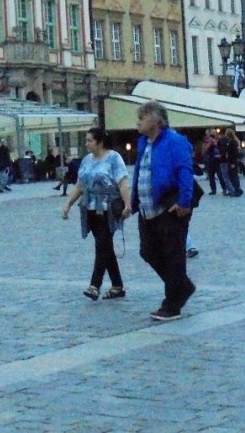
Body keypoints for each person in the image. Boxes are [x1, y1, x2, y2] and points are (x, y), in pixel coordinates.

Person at [130, 100, 197, 322]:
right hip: (147, 208)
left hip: (170, 206)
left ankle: (172, 305)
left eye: (143, 117)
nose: (138, 121)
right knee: (147, 251)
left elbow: (185, 170)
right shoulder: (143, 142)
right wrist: (132, 202)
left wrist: (185, 201)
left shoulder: (174, 141)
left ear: (157, 121)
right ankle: (182, 286)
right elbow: (140, 173)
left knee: (173, 255)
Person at [62, 126, 130, 301]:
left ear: (99, 142)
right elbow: (80, 185)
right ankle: (117, 285)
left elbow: (122, 183)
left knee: (102, 245)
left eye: (89, 140)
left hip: (108, 209)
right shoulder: (86, 160)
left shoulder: (114, 158)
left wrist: (128, 204)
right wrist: (68, 204)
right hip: (89, 209)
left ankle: (95, 285)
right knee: (105, 247)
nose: (87, 144)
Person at [220, 128, 242, 196]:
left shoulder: (232, 142)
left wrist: (233, 162)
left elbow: (234, 153)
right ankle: (236, 189)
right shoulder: (232, 141)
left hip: (232, 161)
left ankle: (237, 190)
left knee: (234, 176)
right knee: (232, 176)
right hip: (231, 161)